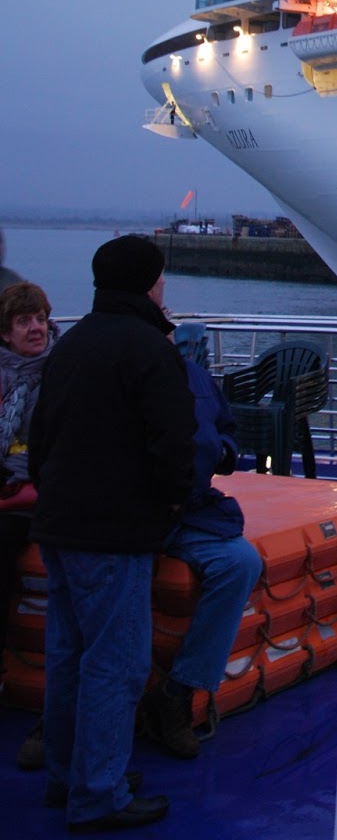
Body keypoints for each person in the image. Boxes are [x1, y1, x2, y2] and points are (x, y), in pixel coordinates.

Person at [29, 235, 195, 832]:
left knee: (68, 655)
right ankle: (98, 794)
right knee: (116, 664)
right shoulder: (149, 348)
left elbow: (40, 435)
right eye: (160, 278)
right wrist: (173, 499)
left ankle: (66, 775)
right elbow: (174, 442)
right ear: (148, 283)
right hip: (115, 531)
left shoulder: (70, 344)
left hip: (60, 524)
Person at [139, 327, 262, 759]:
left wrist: (225, 452)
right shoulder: (117, 376)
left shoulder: (196, 379)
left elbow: (226, 429)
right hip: (131, 514)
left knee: (240, 562)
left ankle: (179, 691)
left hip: (190, 509)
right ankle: (64, 714)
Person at [0, 282, 58, 769]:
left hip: (38, 497)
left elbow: (45, 450)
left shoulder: (60, 373)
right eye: (24, 321)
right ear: (6, 332)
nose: (35, 328)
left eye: (39, 318)